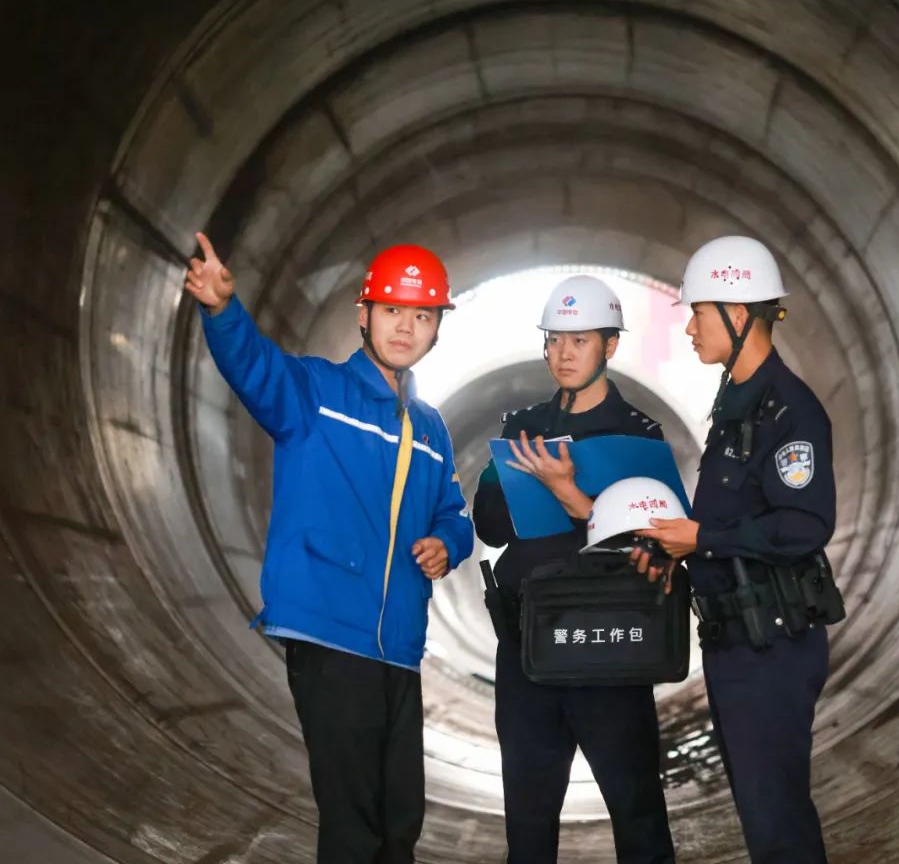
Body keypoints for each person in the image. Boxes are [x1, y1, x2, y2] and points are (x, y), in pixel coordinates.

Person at [185, 233, 474, 864]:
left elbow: (454, 513)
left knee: (400, 819)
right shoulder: (316, 392)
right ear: (364, 314)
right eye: (392, 310)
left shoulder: (430, 429)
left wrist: (447, 544)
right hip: (331, 637)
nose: (406, 327)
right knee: (352, 825)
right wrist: (222, 310)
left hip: (398, 647)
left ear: (437, 328)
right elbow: (255, 367)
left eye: (423, 315)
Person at [634, 236, 844, 864]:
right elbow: (732, 519)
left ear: (737, 313)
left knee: (778, 823)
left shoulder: (790, 412)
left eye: (698, 313)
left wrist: (701, 538)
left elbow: (804, 525)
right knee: (763, 816)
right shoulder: (735, 408)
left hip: (773, 648)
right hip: (736, 644)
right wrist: (678, 551)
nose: (690, 328)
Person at [472, 275, 677, 864]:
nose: (563, 353)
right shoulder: (520, 429)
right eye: (555, 340)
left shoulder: (640, 437)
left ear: (610, 345)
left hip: (610, 647)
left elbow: (656, 546)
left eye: (580, 340)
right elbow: (490, 527)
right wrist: (512, 478)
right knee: (528, 823)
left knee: (637, 814)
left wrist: (570, 492)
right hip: (529, 649)